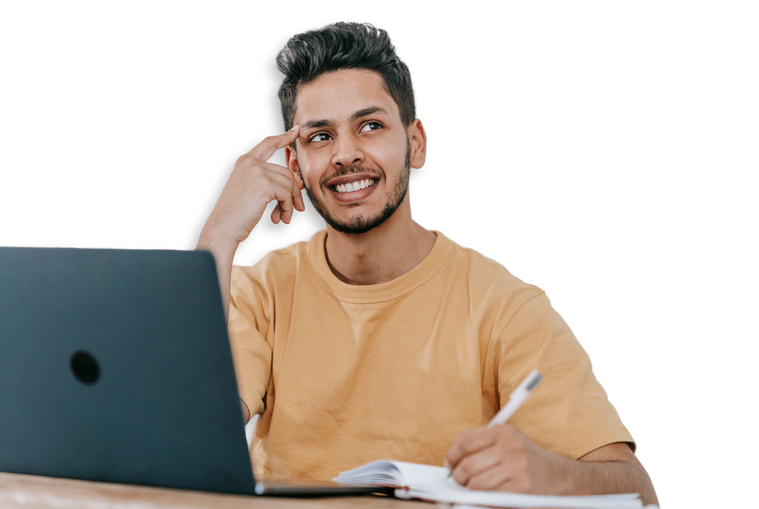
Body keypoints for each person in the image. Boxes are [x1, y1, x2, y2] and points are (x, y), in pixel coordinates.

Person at [196, 21, 659, 505]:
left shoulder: (505, 308)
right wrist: (219, 236)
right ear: (294, 166)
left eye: (370, 126)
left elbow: (639, 491)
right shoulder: (255, 292)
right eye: (319, 137)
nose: (345, 154)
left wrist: (551, 473)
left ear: (416, 143)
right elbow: (176, 440)